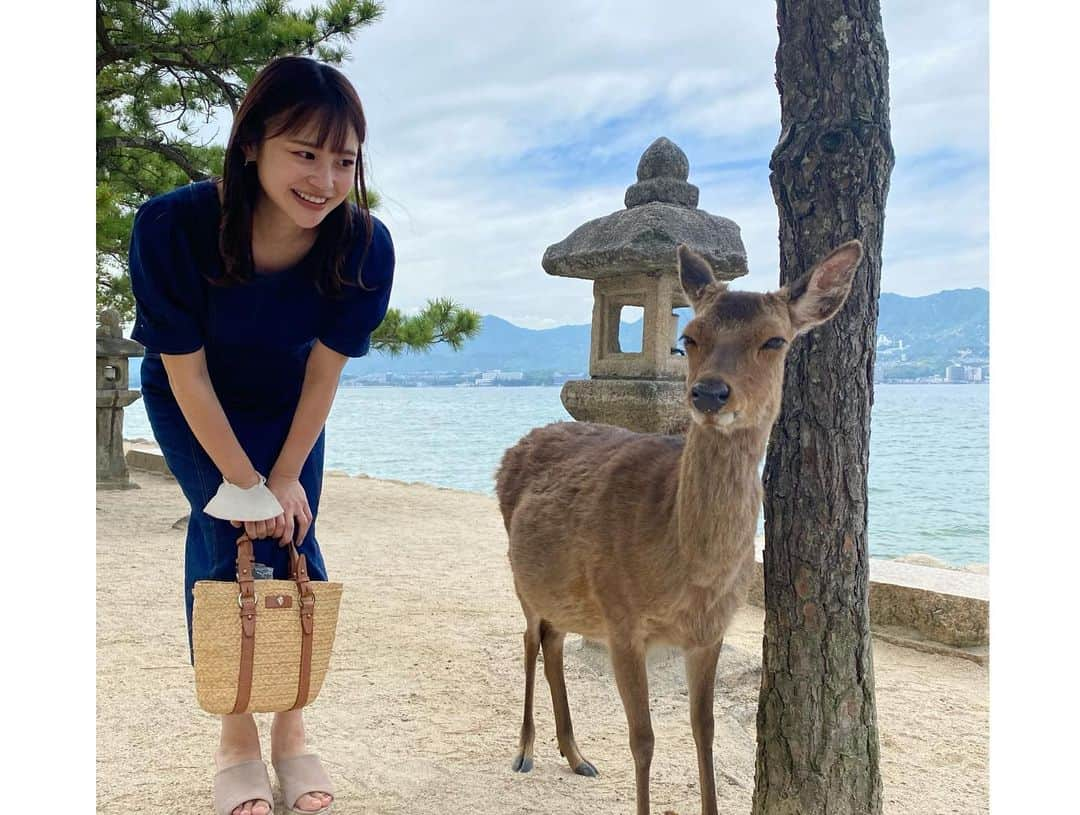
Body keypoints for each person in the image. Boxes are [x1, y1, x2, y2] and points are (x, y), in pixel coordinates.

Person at [129, 56, 394, 815]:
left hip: (288, 405)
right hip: (192, 398)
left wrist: (281, 478)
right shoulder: (172, 227)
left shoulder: (364, 246)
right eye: (304, 154)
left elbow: (322, 377)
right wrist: (244, 485)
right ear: (253, 144)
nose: (325, 179)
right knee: (227, 538)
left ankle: (292, 724)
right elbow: (186, 375)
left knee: (295, 537)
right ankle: (236, 734)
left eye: (343, 160)